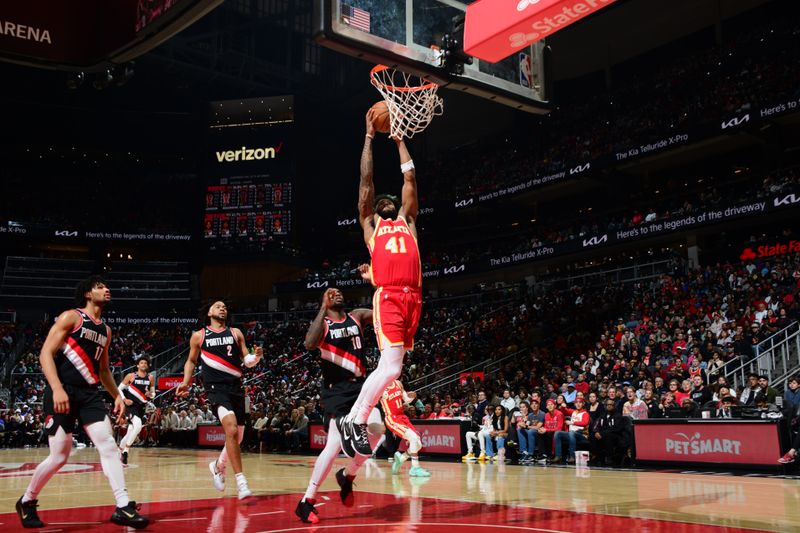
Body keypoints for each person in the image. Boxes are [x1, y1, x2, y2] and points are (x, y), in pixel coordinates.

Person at [16, 276, 148, 529]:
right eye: (100, 286)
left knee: (109, 445)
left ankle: (123, 506)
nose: (107, 289)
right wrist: (56, 388)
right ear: (88, 294)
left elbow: (105, 370)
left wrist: (118, 397)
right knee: (60, 455)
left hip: (89, 394)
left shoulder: (106, 330)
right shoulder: (71, 317)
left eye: (107, 286)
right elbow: (45, 353)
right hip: (62, 390)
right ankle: (27, 500)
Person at [337, 109, 423, 457]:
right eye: (381, 201)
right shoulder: (371, 226)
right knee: (392, 367)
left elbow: (411, 180)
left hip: (414, 298)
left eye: (390, 200)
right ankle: (355, 419)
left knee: (392, 369)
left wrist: (400, 140)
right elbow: (366, 182)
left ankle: (356, 418)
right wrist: (370, 138)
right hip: (387, 296)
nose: (386, 201)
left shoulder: (408, 221)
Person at [296, 288, 384, 524]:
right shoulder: (323, 324)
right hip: (336, 390)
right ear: (324, 299)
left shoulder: (356, 316)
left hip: (361, 386)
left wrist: (379, 285)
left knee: (377, 430)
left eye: (339, 292)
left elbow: (380, 313)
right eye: (330, 292)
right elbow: (309, 343)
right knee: (334, 445)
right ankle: (307, 501)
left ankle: (347, 475)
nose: (336, 293)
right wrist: (322, 307)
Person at [176, 301, 263, 500]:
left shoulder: (236, 333)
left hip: (236, 388)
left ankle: (218, 466)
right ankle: (241, 482)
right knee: (231, 429)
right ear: (209, 312)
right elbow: (191, 360)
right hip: (215, 389)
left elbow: (246, 360)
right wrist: (186, 382)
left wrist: (256, 358)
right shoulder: (199, 335)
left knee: (237, 437)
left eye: (224, 306)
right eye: (217, 306)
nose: (222, 308)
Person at [383, 380, 431, 476]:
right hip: (392, 418)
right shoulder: (381, 386)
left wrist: (412, 397)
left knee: (418, 444)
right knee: (413, 438)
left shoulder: (398, 383)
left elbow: (406, 400)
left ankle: (400, 460)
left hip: (402, 416)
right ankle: (415, 468)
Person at [117, 355, 155, 465]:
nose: (143, 364)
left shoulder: (150, 378)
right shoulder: (131, 376)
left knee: (130, 433)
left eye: (145, 363)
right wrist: (124, 399)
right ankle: (126, 451)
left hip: (141, 407)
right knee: (138, 425)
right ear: (137, 365)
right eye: (141, 362)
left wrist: (150, 395)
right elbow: (119, 389)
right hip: (130, 406)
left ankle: (119, 452)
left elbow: (153, 394)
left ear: (147, 366)